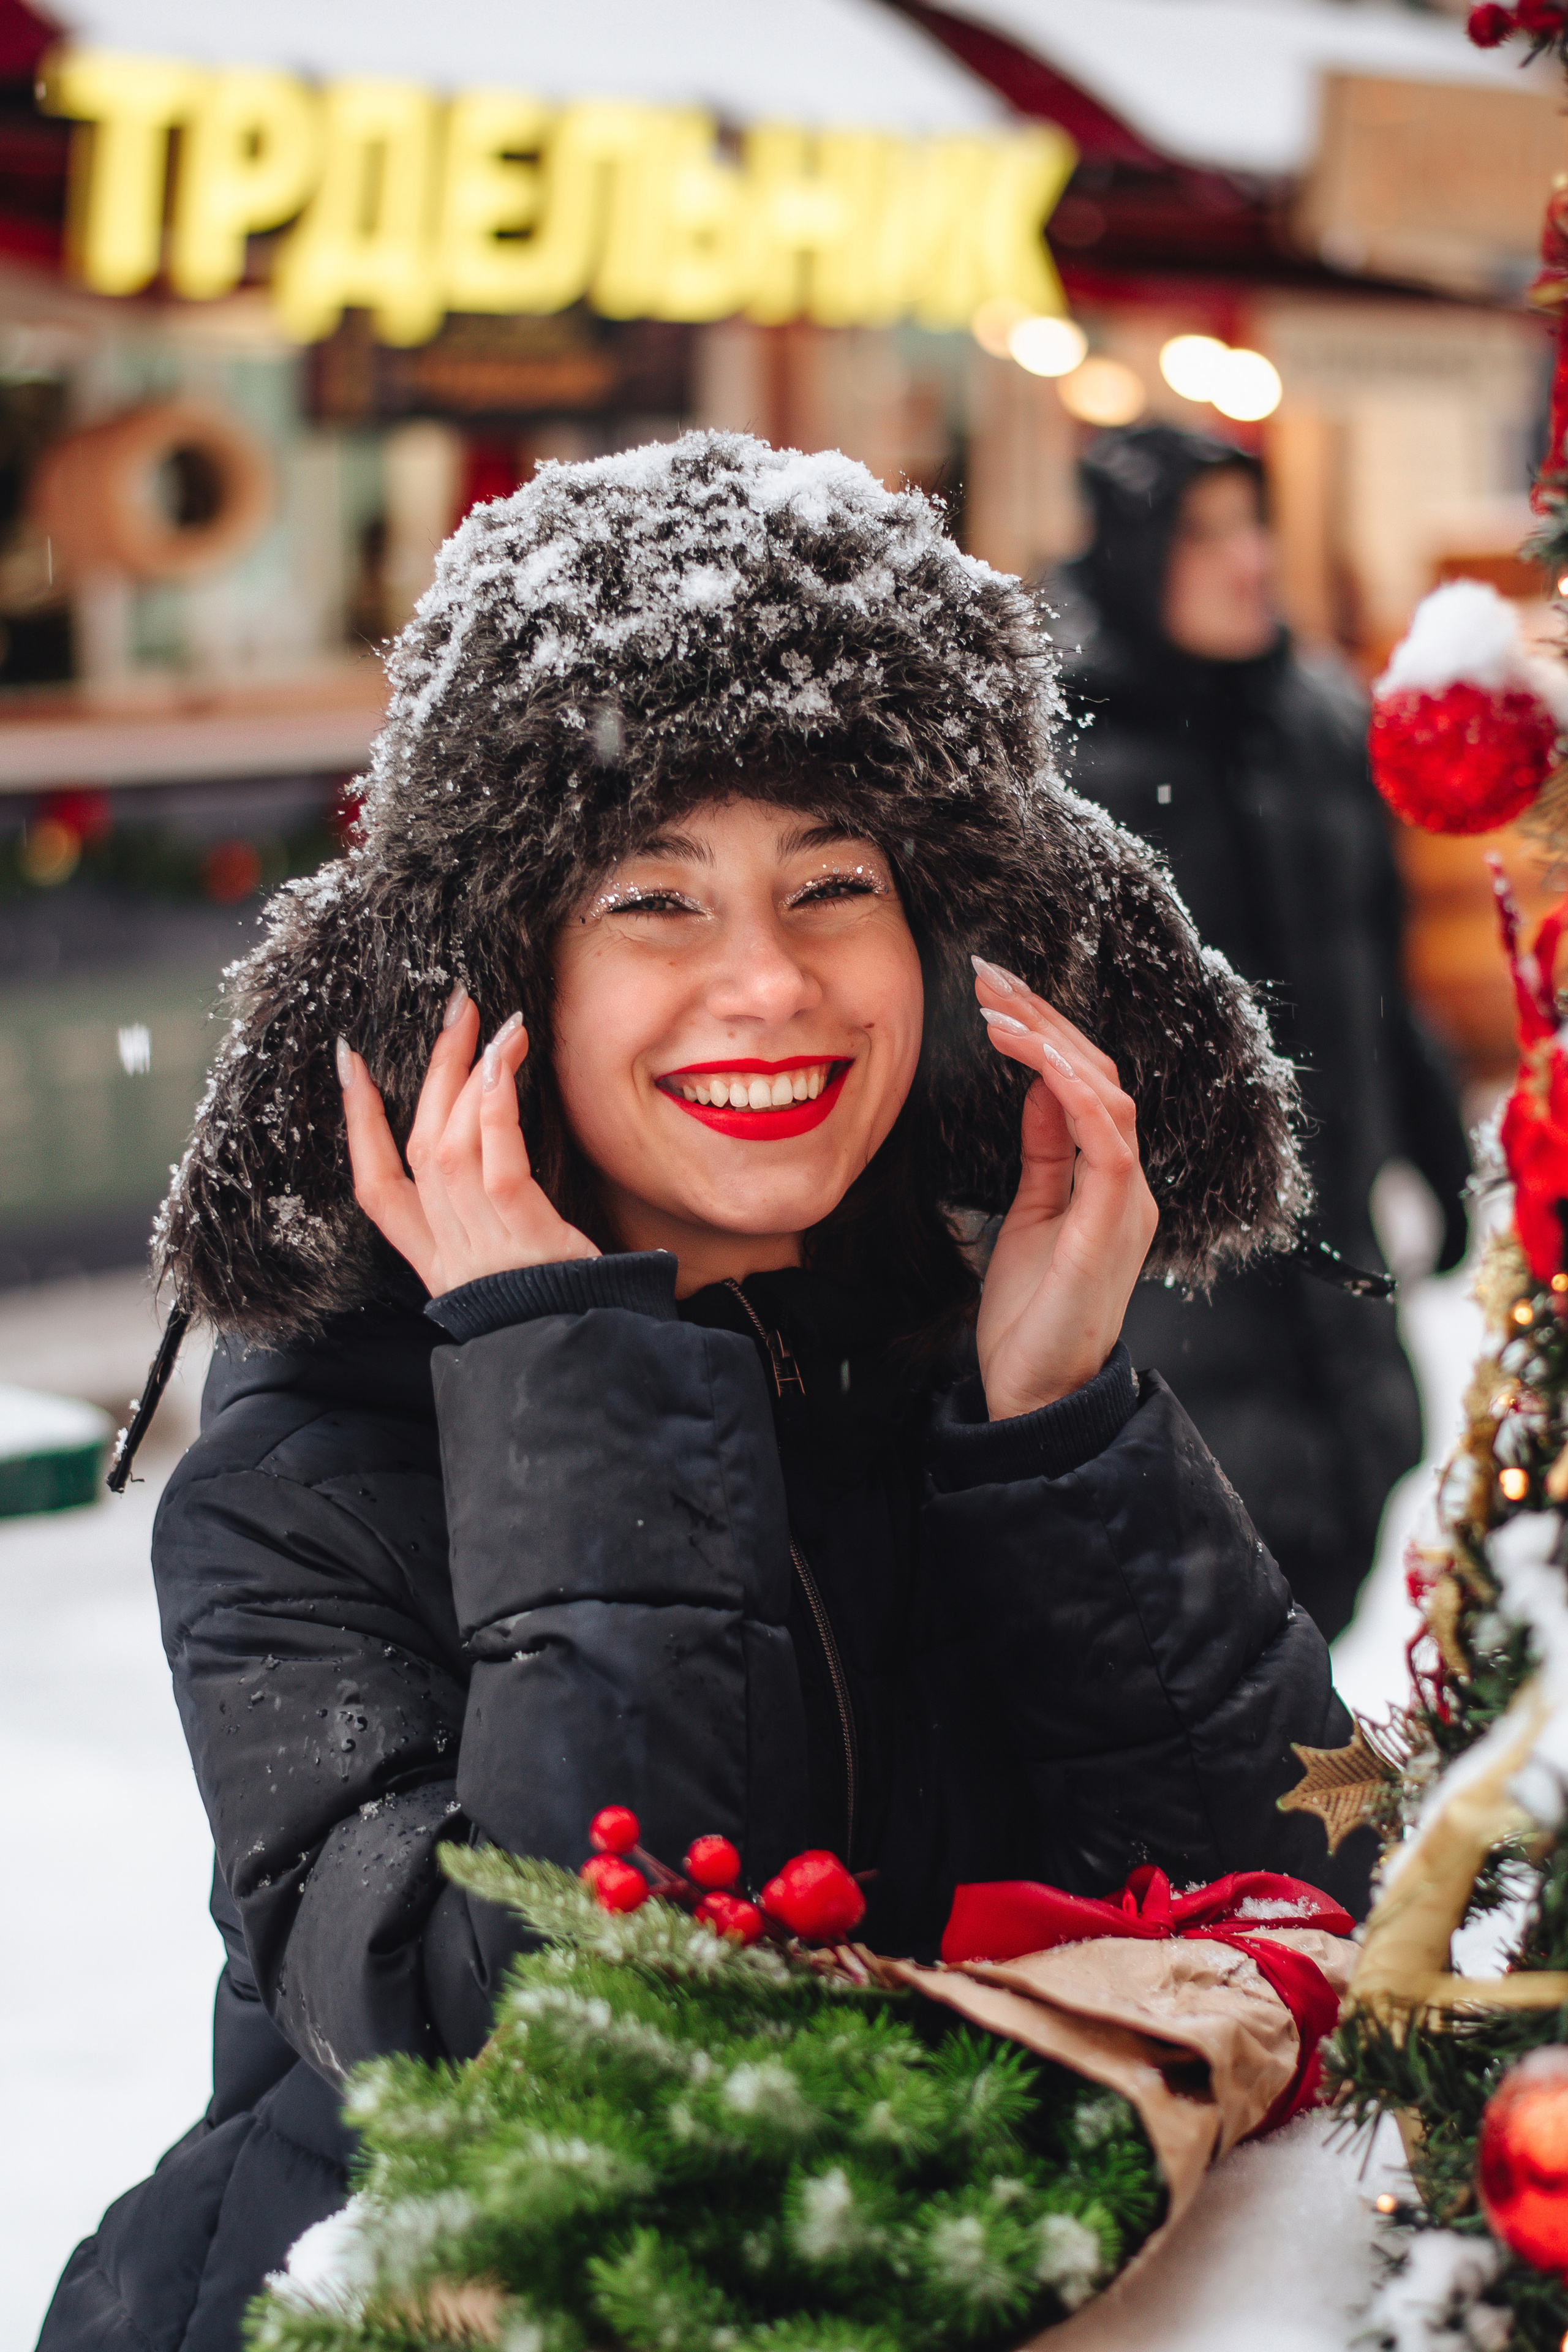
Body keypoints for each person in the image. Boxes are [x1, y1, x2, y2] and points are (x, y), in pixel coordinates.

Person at [42, 432, 1370, 2352]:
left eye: (831, 885)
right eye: (655, 904)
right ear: (492, 980)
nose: (770, 985)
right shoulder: (303, 1488)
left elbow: (1300, 1925)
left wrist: (1062, 1429)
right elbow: (541, 2057)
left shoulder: (979, 1380)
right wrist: (563, 1388)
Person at [1047, 424, 1472, 1644]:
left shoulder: (1320, 725)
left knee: (1333, 1559)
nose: (1246, 562)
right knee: (1205, 1626)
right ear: (1133, 552)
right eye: (1203, 534)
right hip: (1170, 1297)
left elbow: (1377, 974)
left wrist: (1437, 1162)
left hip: (1331, 1274)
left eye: (1253, 526)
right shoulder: (1068, 757)